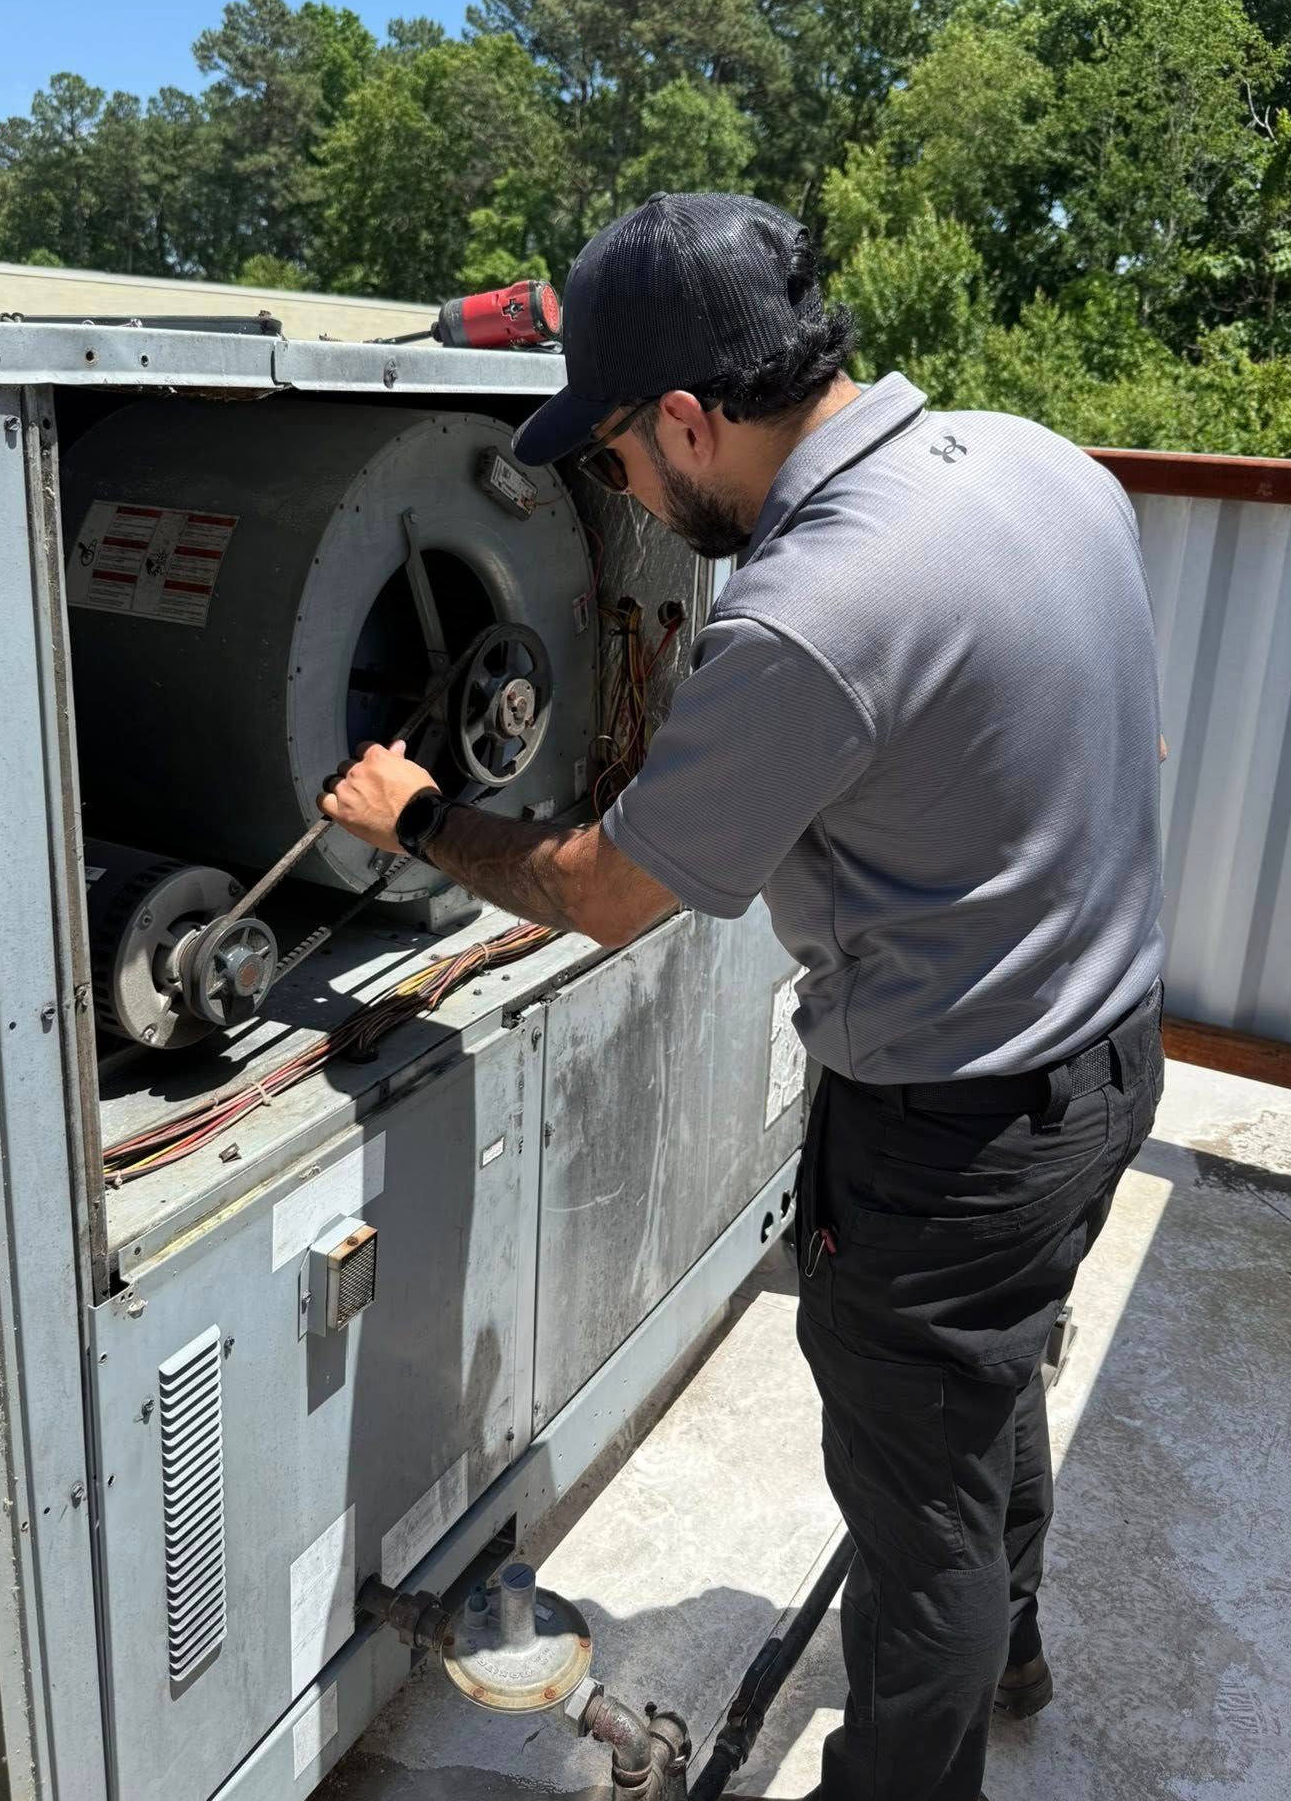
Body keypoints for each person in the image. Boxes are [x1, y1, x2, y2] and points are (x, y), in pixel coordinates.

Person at [320, 191, 1166, 1801]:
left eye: (616, 456)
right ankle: (1018, 1646)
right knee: (981, 1386)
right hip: (1110, 1059)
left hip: (952, 1138)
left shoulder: (809, 614)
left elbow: (605, 893)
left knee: (916, 1527)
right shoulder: (1038, 462)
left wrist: (416, 816)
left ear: (689, 419)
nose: (622, 490)